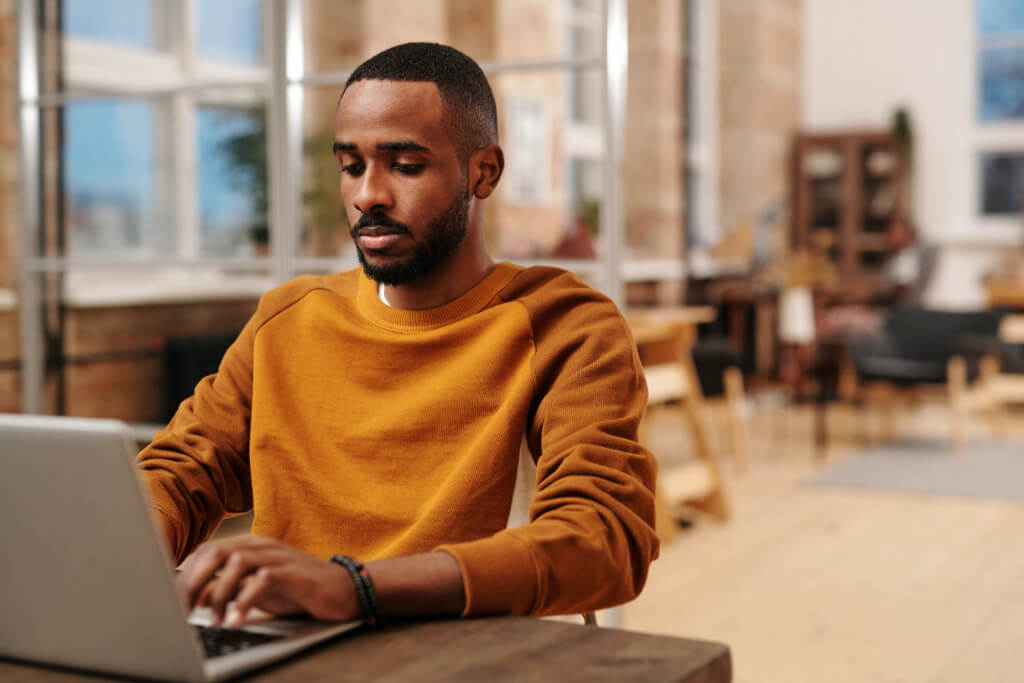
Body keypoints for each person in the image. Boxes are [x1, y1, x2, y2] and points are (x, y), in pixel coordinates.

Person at [137, 42, 659, 629]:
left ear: (483, 172)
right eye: (351, 166)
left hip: (472, 660)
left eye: (405, 166)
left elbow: (604, 540)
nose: (368, 196)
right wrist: (117, 554)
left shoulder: (567, 325)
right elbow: (183, 470)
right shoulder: (288, 319)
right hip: (289, 653)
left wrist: (355, 587)